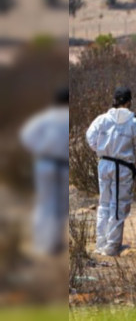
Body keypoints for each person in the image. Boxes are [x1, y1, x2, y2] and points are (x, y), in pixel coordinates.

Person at [86, 87, 136, 256]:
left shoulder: (102, 120)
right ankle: (112, 247)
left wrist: (103, 149)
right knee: (118, 206)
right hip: (122, 167)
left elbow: (90, 138)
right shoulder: (134, 123)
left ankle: (101, 244)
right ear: (128, 102)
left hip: (104, 164)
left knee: (104, 204)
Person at [19, 87, 70, 255]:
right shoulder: (67, 118)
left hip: (45, 163)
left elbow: (26, 135)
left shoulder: (45, 117)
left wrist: (40, 149)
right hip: (62, 165)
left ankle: (42, 243)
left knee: (45, 203)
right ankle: (53, 242)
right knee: (60, 205)